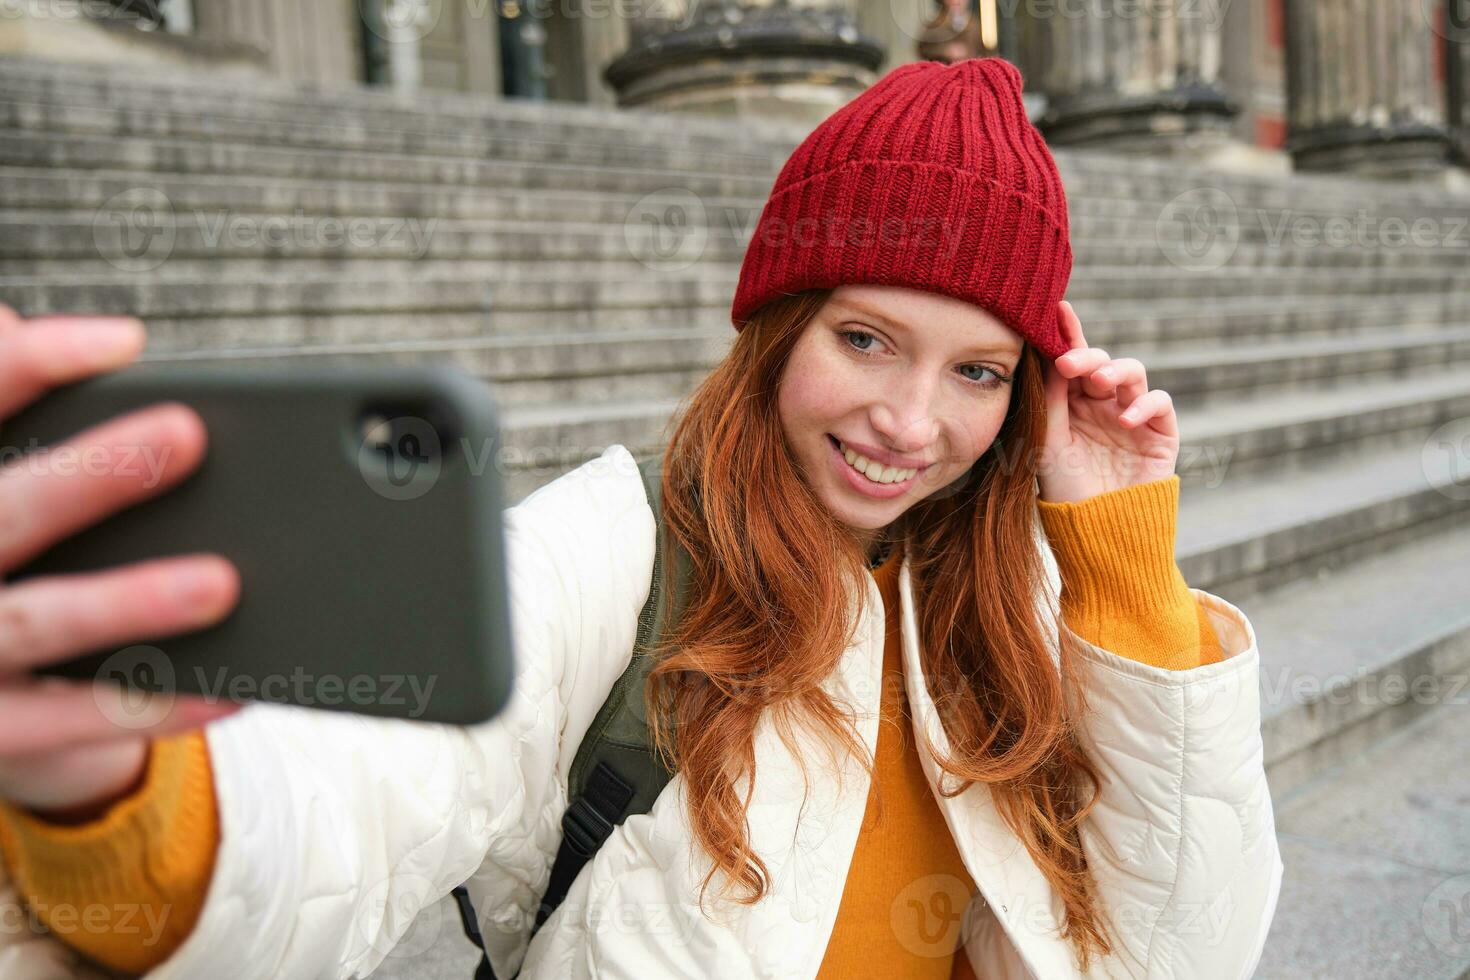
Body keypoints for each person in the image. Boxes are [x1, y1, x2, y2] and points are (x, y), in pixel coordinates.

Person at [0, 57, 1282, 979]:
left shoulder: (1022, 605)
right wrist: (111, 779)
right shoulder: (616, 549)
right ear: (780, 328)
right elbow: (355, 799)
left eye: (977, 371)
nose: (908, 419)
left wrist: (1124, 569)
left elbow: (1190, 948)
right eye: (866, 337)